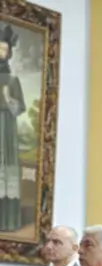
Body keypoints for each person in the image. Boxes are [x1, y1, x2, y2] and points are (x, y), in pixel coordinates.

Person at [0, 24, 26, 232]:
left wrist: (9, 99)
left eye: (4, 49)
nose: (1, 53)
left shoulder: (12, 79)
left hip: (6, 129)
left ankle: (7, 220)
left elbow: (19, 109)